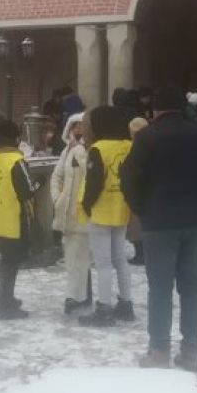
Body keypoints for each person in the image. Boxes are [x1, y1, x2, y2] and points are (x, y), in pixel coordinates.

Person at [121, 86, 197, 371]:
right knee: (192, 288)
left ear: (155, 110)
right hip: (194, 221)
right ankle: (191, 350)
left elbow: (128, 177)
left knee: (160, 288)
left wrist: (143, 209)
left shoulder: (147, 137)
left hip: (158, 222)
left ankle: (159, 350)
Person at [78, 106, 137, 327]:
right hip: (122, 208)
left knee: (103, 263)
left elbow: (93, 183)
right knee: (120, 259)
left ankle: (104, 308)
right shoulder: (128, 146)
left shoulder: (98, 149)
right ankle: (126, 304)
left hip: (101, 211)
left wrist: (86, 205)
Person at [0, 120, 36, 320]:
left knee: (6, 258)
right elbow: (28, 190)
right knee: (12, 260)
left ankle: (5, 297)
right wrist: (39, 182)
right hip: (13, 217)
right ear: (15, 138)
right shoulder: (15, 160)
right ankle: (5, 304)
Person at [50, 112, 91, 314]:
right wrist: (57, 198)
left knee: (79, 256)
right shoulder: (66, 151)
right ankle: (82, 295)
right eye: (75, 125)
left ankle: (74, 296)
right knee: (74, 256)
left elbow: (89, 172)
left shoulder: (89, 150)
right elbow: (57, 176)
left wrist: (80, 150)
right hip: (66, 212)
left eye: (82, 125)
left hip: (83, 212)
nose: (78, 130)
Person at [126, 115, 149, 267]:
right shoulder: (153, 143)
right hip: (150, 191)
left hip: (136, 190)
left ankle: (140, 254)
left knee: (135, 224)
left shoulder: (132, 146)